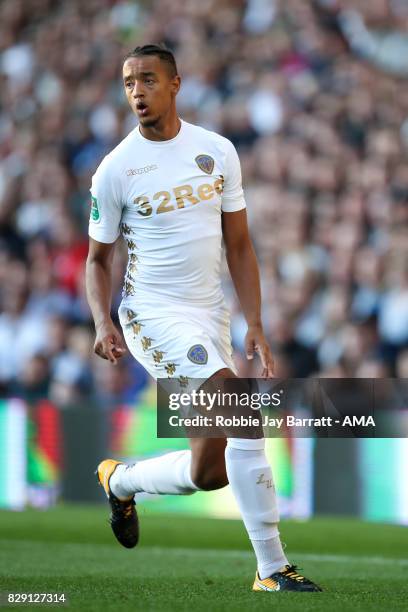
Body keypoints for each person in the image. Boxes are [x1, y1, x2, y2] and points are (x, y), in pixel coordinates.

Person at [86, 44, 321, 593]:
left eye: (147, 80)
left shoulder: (216, 151)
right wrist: (103, 323)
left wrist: (255, 323)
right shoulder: (115, 170)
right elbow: (97, 261)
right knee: (239, 403)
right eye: (128, 83)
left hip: (209, 315)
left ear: (175, 84)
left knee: (209, 471)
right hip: (152, 314)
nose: (137, 92)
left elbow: (239, 244)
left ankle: (121, 481)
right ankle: (272, 569)